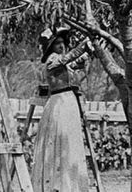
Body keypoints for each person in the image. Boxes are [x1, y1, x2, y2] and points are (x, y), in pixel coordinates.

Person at [32, 26, 93, 192]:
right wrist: (83, 45)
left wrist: (89, 51)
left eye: (61, 43)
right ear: (51, 47)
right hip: (59, 101)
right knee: (60, 139)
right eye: (57, 43)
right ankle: (57, 183)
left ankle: (70, 182)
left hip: (68, 101)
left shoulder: (62, 62)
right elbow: (68, 58)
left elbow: (73, 62)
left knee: (70, 141)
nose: (61, 46)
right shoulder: (52, 60)